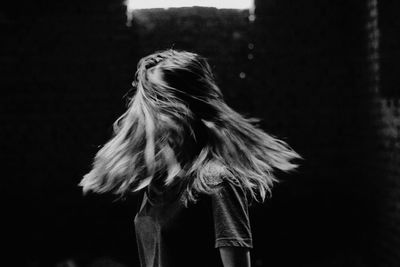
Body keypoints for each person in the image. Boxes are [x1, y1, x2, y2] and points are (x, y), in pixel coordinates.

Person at [80, 49, 301, 267]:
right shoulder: (157, 184)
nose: (141, 110)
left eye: (155, 98)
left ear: (178, 108)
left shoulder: (216, 180)